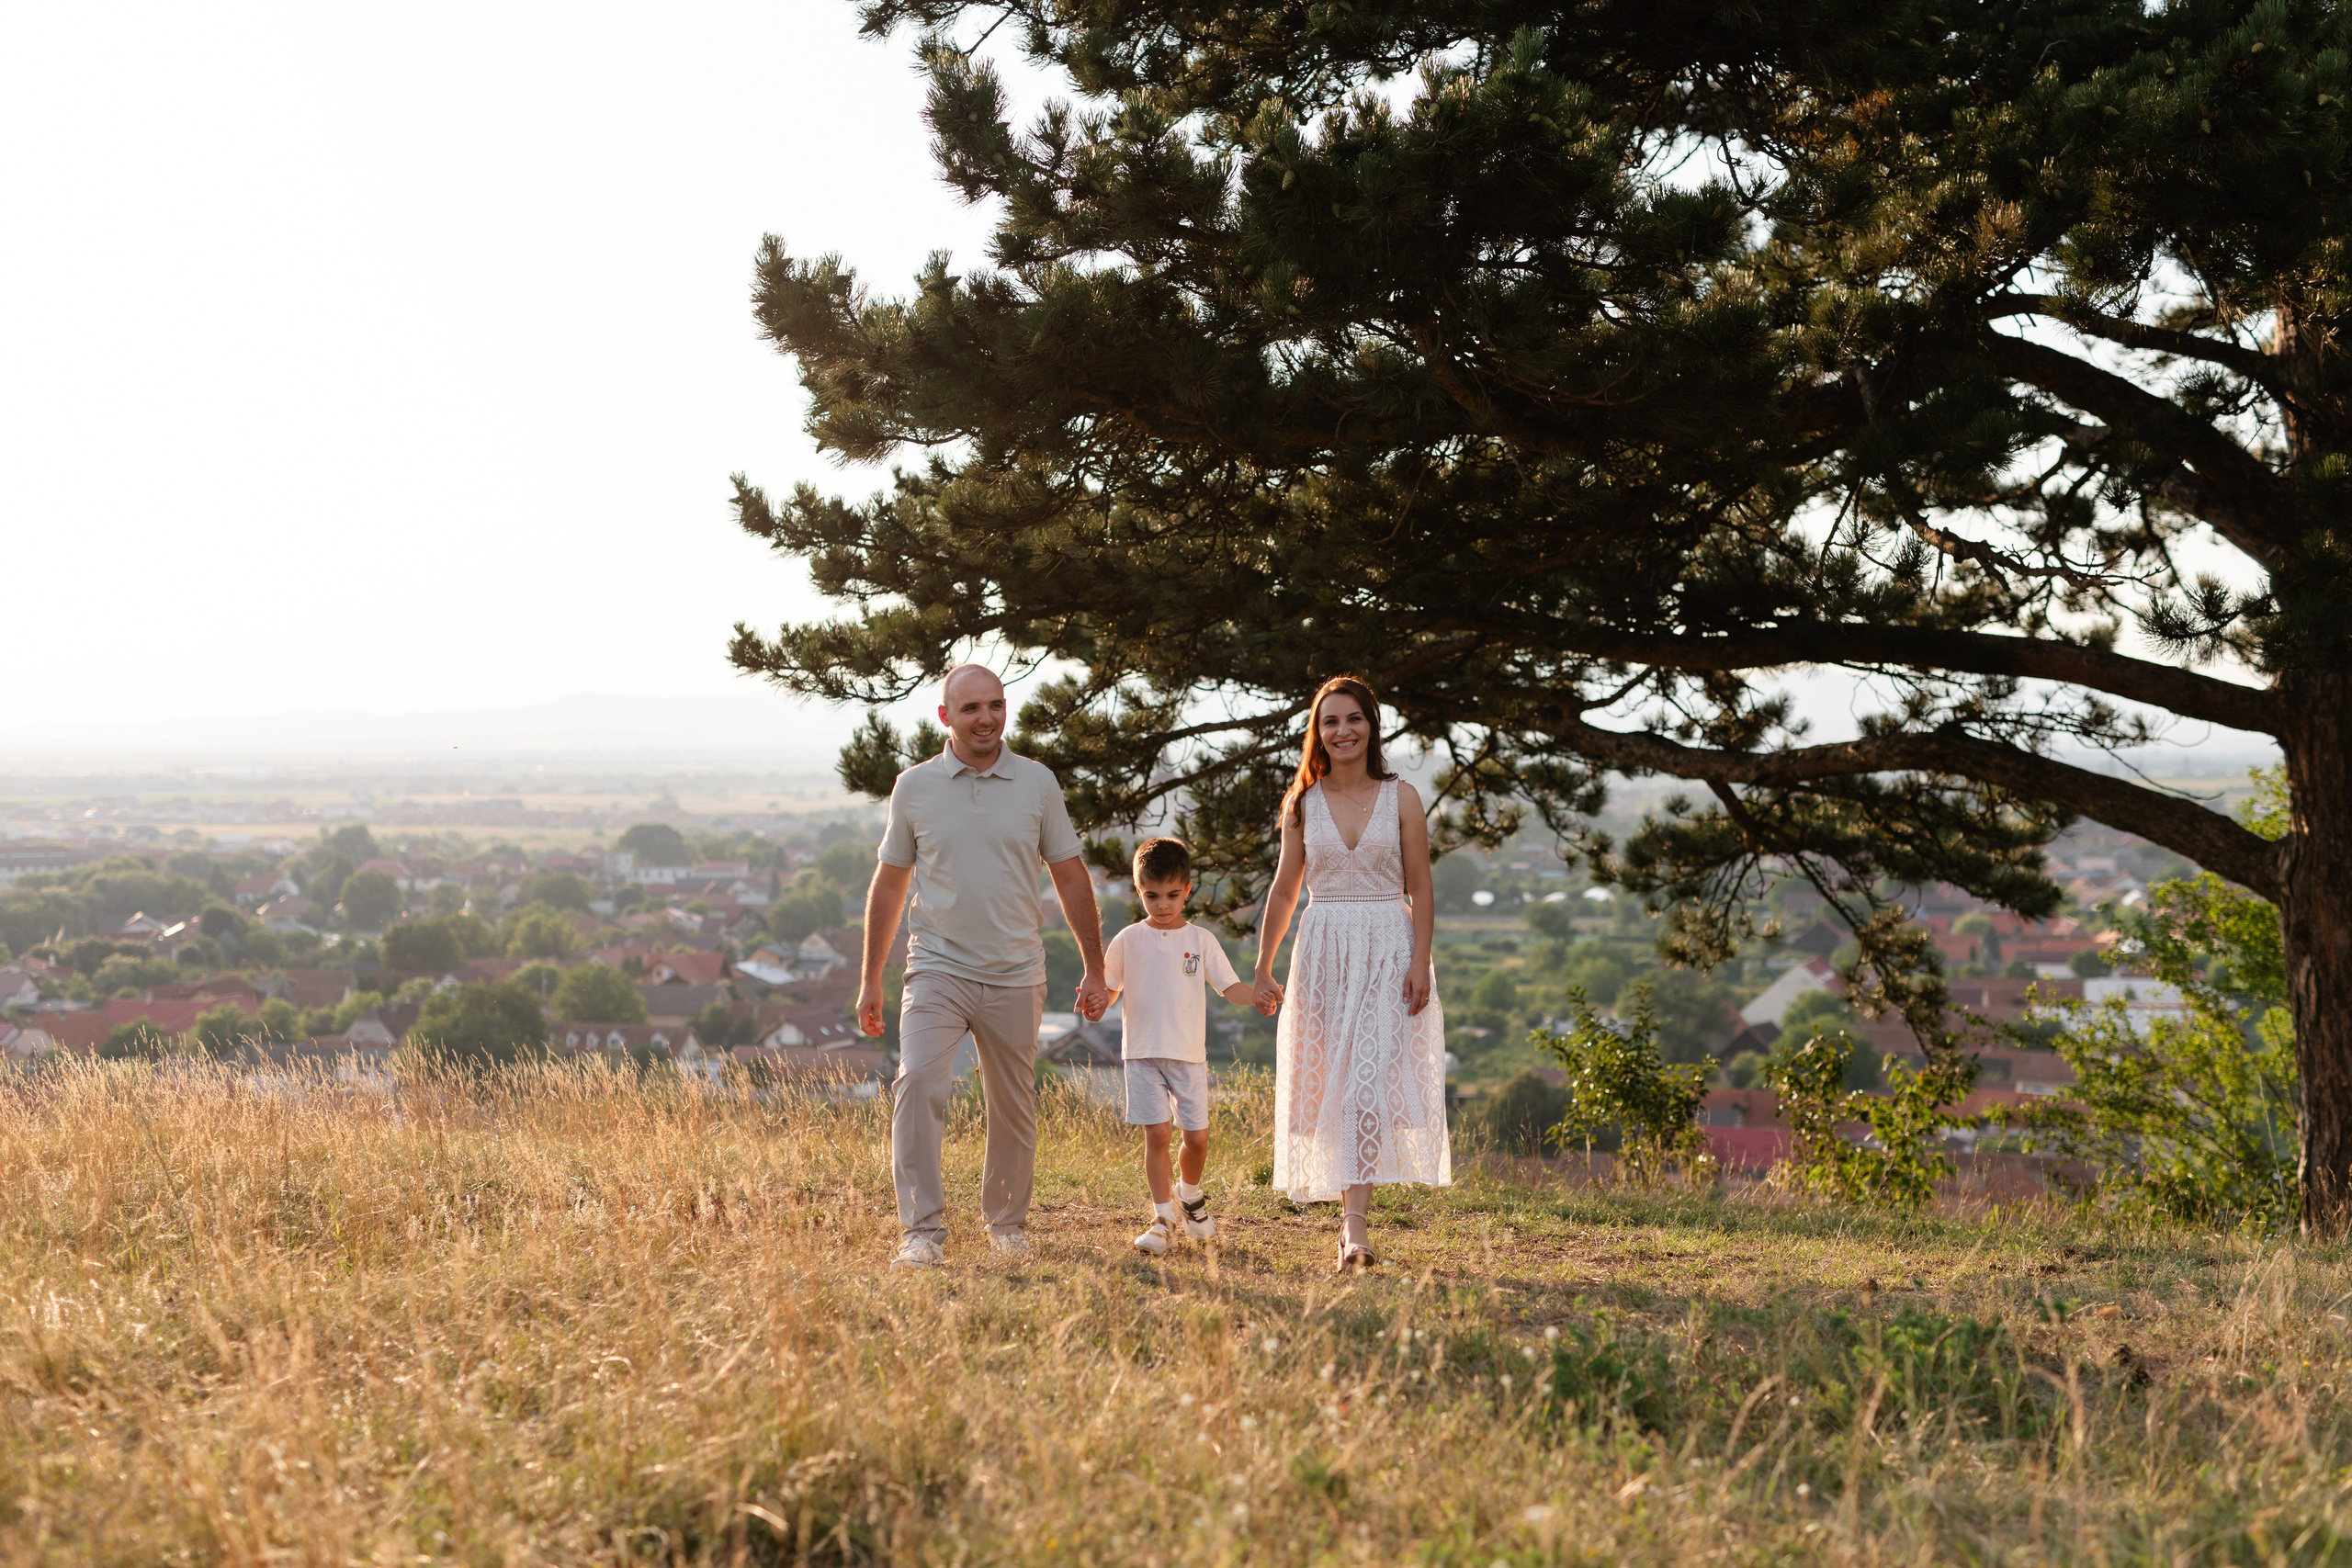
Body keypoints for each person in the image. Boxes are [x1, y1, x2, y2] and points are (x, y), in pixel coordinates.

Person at [856, 664, 1110, 1269]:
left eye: (995, 705)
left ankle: (1007, 1226)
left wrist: (1095, 967)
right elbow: (889, 885)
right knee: (919, 1080)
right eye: (971, 708)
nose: (986, 718)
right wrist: (870, 979)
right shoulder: (914, 786)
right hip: (936, 966)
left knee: (1012, 1102)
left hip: (1016, 971)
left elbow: (1070, 876)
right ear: (946, 716)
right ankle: (922, 1232)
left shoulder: (1037, 782)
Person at [1252, 674, 1450, 1269]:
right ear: (1318, 732)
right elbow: (1285, 890)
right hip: (1324, 952)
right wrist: (1263, 965)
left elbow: (1421, 884)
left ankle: (1355, 1228)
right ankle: (1350, 1229)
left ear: (1372, 725)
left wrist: (1420, 960)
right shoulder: (1302, 804)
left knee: (1367, 1084)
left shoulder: (1403, 797)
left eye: (1354, 718)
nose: (1343, 731)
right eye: (1331, 721)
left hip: (1390, 948)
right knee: (1336, 1087)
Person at [1102, 836, 1267, 1257]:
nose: (1162, 905)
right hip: (1141, 1054)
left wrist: (1259, 997)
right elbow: (1110, 988)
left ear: (1188, 890)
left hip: (1189, 1056)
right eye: (1152, 896)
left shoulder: (1202, 940)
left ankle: (1189, 1196)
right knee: (1157, 1134)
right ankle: (1162, 1219)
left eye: (1172, 895)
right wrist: (1097, 999)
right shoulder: (1127, 939)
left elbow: (1229, 986)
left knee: (1197, 1139)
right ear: (1138, 891)